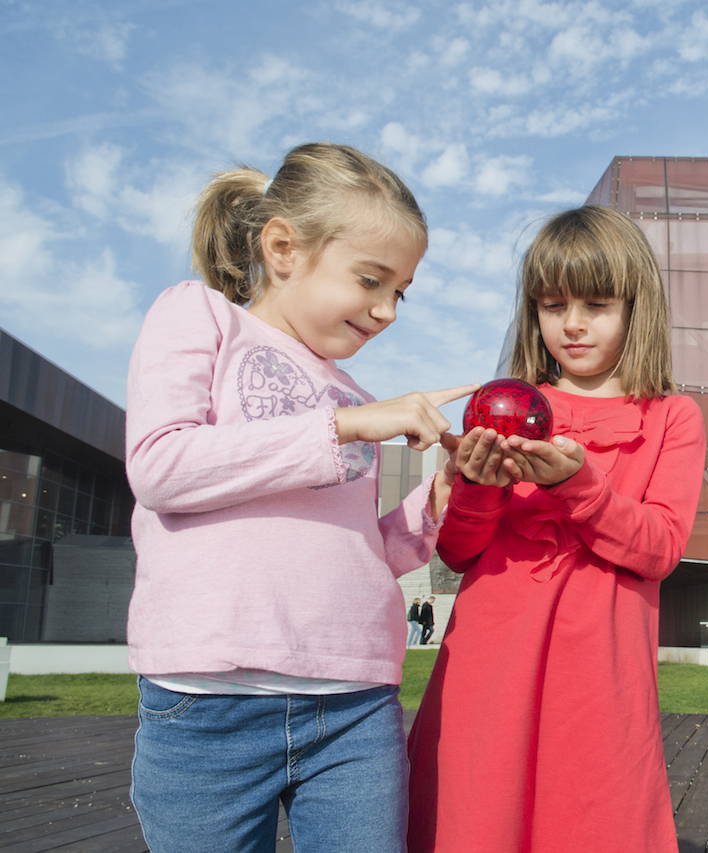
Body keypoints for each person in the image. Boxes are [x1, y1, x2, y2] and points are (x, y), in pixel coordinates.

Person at [125, 142, 478, 853]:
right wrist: (342, 426)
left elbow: (364, 552)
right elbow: (160, 467)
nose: (387, 310)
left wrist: (441, 491)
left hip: (354, 706)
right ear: (284, 247)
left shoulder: (357, 397)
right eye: (372, 279)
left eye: (400, 291)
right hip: (205, 707)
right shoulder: (200, 317)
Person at [406, 205, 707, 852]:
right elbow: (458, 554)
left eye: (595, 304)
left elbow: (659, 548)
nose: (571, 323)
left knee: (590, 820)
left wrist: (578, 486)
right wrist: (480, 487)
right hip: (488, 666)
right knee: (479, 819)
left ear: (636, 306)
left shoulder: (672, 417)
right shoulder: (504, 404)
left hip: (598, 679)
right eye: (551, 304)